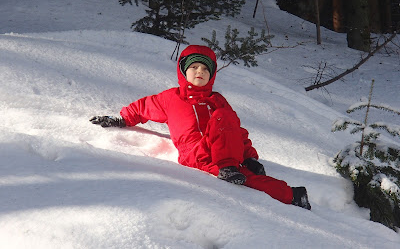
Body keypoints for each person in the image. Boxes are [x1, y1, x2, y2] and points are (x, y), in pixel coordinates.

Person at [90, 45, 311, 210]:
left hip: (225, 158)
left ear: (212, 74)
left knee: (247, 178)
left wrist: (250, 157)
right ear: (183, 71)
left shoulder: (217, 100)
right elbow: (142, 108)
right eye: (194, 66)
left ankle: (294, 196)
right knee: (224, 122)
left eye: (205, 68)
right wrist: (119, 119)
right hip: (195, 153)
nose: (199, 71)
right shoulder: (171, 99)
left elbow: (236, 131)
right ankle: (229, 167)